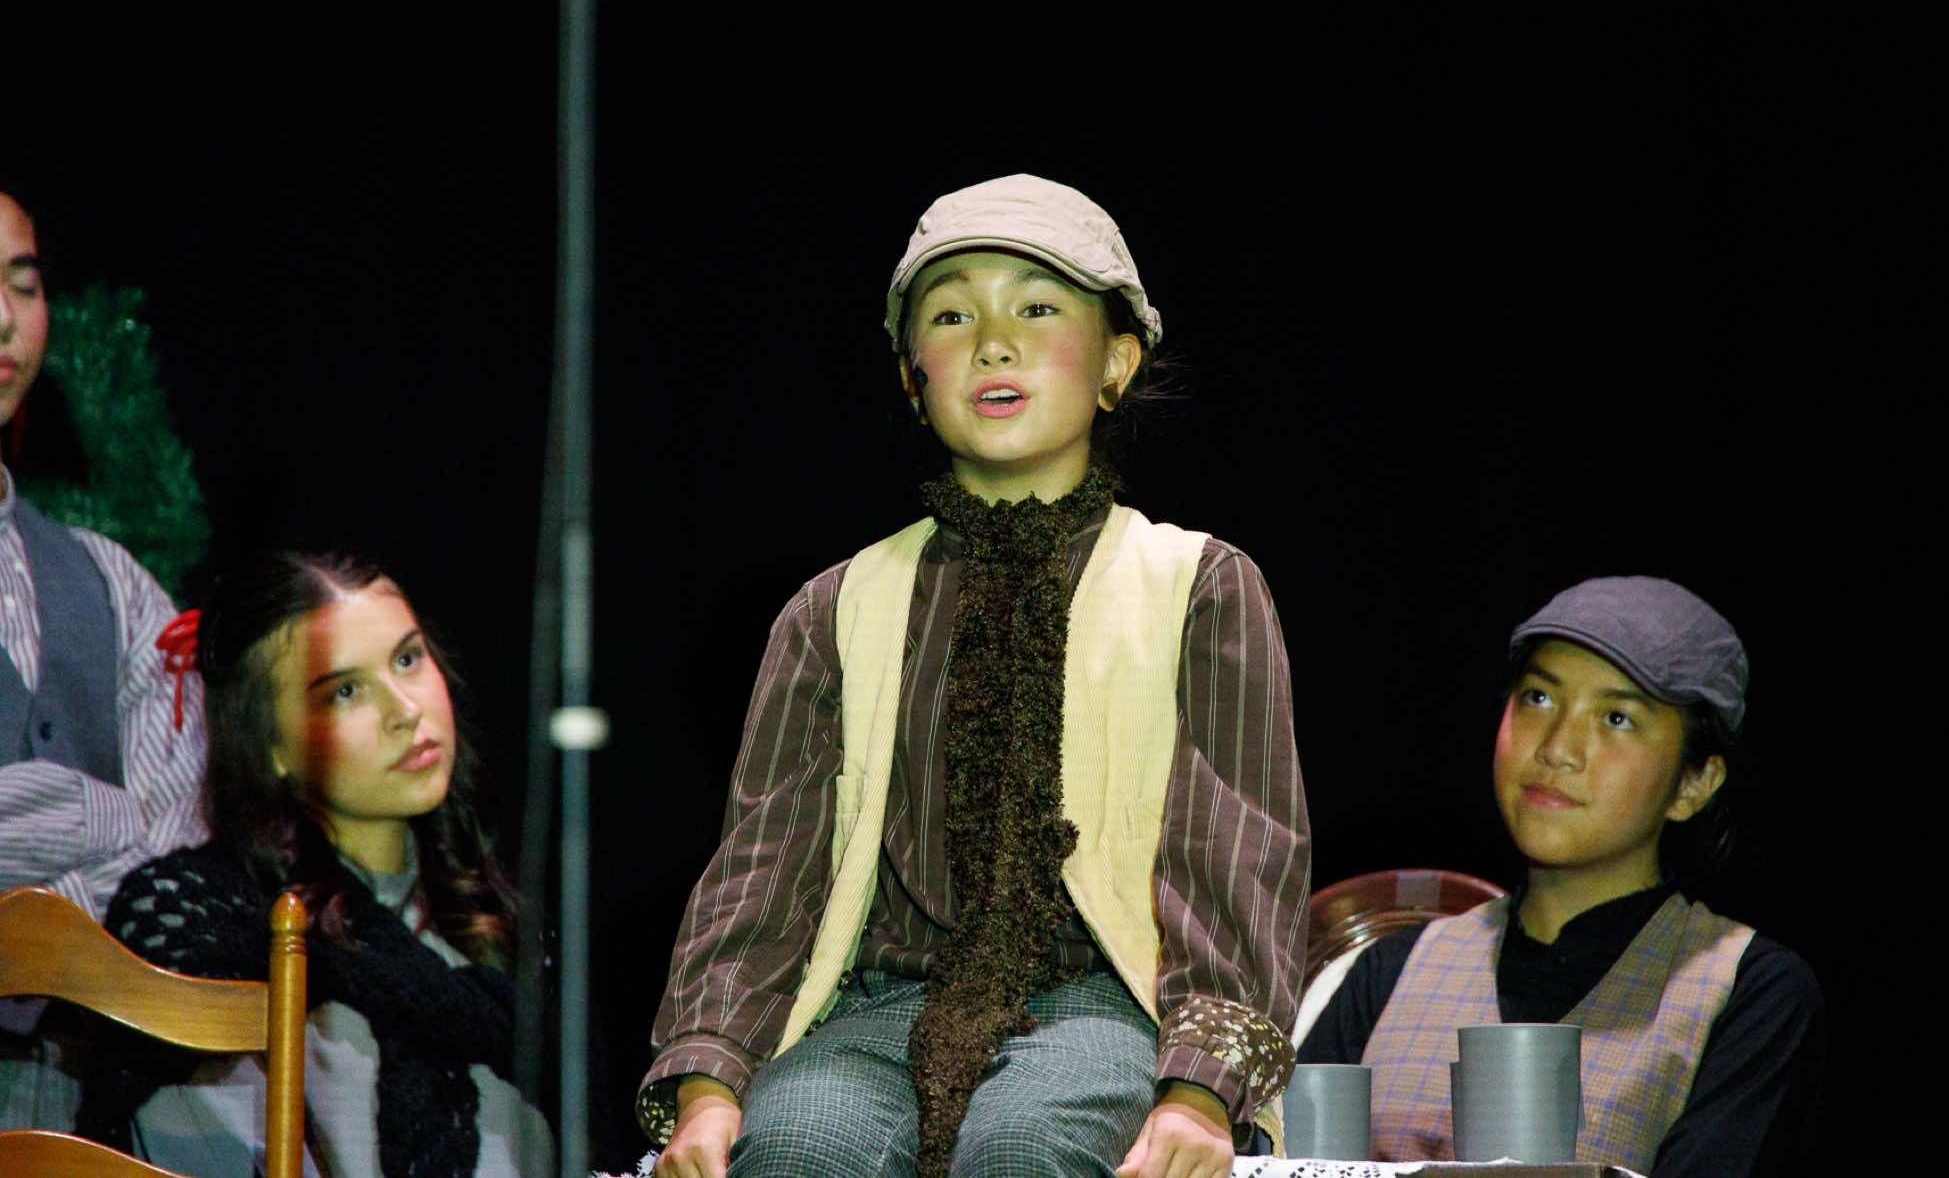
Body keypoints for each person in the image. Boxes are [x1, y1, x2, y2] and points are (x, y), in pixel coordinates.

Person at [643, 174, 1312, 1178]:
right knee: (796, 1147)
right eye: (952, 316)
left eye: (1036, 309)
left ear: (1116, 361)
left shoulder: (1197, 585)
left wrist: (1199, 1091)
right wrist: (707, 1081)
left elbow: (1239, 861)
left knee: (1026, 1145)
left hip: (1111, 1005)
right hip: (884, 1003)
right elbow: (763, 871)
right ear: (913, 377)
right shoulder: (838, 606)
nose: (993, 343)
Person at [1297, 575, 1825, 1174]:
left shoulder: (1750, 993)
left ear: (1694, 782)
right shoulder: (1390, 970)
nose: (1557, 748)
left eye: (1617, 718)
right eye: (1538, 698)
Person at [76, 550, 552, 1177]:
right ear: (271, 746)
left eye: (407, 659)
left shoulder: (502, 922)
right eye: (346, 691)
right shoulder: (208, 925)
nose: (405, 710)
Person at [0, 186, 208, 1130]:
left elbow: (178, 845)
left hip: (86, 1093)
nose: (4, 318)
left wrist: (40, 911)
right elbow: (134, 825)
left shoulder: (109, 580)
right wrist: (99, 812)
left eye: (23, 281)